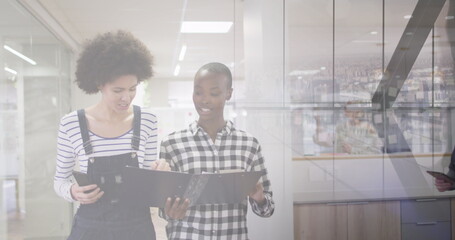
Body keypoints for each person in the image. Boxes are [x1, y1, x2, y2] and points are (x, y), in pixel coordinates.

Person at [53, 30, 169, 240]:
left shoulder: (148, 121)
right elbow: (60, 179)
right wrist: (72, 192)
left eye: (132, 89)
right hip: (90, 229)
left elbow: (149, 184)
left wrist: (161, 171)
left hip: (137, 228)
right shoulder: (71, 124)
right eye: (118, 90)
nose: (127, 97)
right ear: (99, 84)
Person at [159, 62, 275, 239]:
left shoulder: (249, 144)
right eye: (198, 92)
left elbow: (267, 210)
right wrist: (170, 212)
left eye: (214, 93)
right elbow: (163, 209)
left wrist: (259, 198)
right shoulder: (171, 144)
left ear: (228, 93)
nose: (204, 100)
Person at [313, 101, 383, 155]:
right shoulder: (342, 127)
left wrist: (353, 150)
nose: (345, 113)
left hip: (363, 165)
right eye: (345, 111)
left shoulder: (368, 128)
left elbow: (376, 151)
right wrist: (318, 122)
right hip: (344, 164)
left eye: (348, 111)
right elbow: (323, 140)